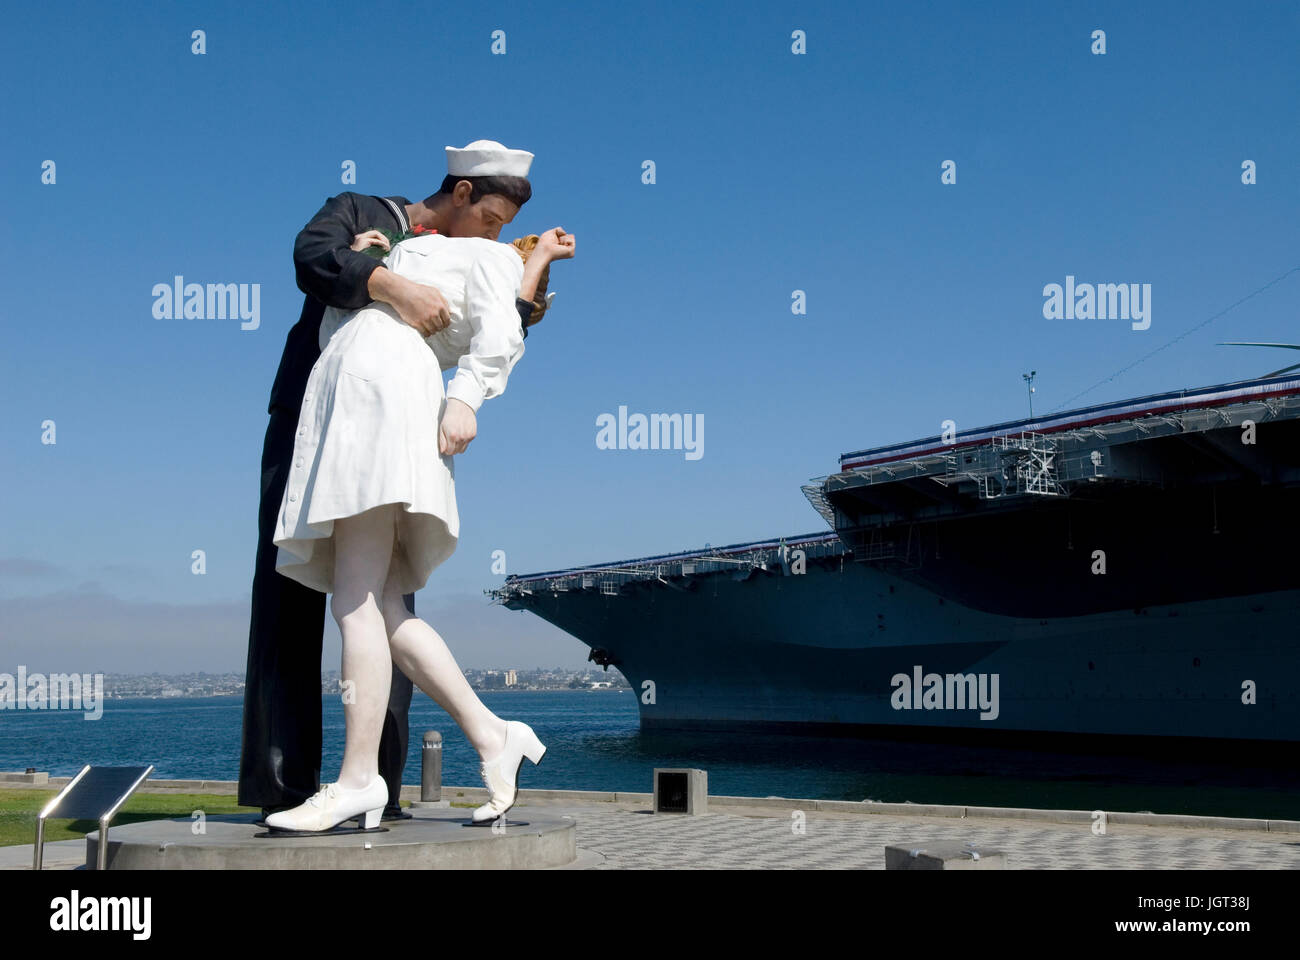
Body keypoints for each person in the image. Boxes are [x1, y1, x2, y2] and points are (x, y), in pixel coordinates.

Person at [238, 140, 544, 824]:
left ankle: (372, 779)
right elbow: (315, 259)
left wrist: (467, 393)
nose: (494, 235)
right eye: (489, 217)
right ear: (461, 194)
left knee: (365, 598)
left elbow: (497, 330)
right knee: (338, 603)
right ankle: (293, 779)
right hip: (313, 411)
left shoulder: (482, 256)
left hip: (381, 411)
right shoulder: (361, 214)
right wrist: (384, 272)